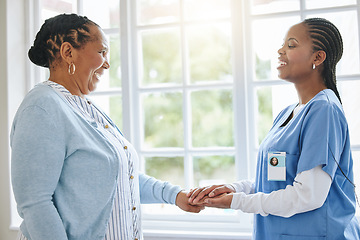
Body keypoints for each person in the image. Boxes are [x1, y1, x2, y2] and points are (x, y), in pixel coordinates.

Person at [11, 13, 202, 240]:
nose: (107, 63)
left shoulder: (84, 107)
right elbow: (34, 202)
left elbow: (120, 178)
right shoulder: (41, 108)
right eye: (102, 52)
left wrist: (176, 195)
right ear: (68, 52)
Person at [187, 18, 360, 239]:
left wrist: (236, 202)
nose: (280, 51)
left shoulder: (324, 110)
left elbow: (307, 195)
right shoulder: (287, 113)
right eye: (283, 44)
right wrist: (235, 189)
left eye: (292, 45)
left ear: (318, 57)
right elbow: (275, 180)